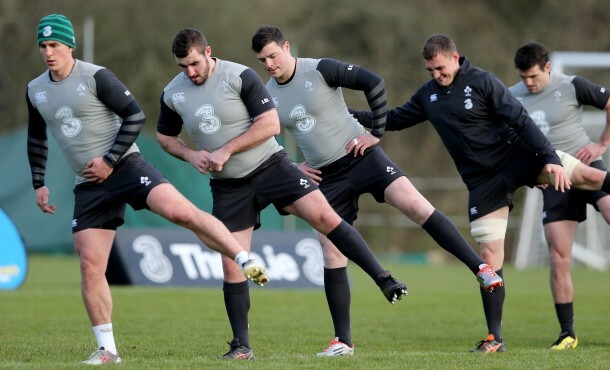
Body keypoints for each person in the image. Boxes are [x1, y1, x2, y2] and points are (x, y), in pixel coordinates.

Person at [351, 34, 610, 353]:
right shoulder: (428, 95)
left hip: (520, 156)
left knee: (592, 177)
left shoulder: (484, 82)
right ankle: (494, 337)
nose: (436, 76)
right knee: (488, 257)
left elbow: (520, 121)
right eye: (430, 71)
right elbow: (397, 119)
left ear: (455, 58)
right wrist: (343, 115)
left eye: (440, 68)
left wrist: (550, 160)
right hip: (483, 183)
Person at [26, 15, 269, 365]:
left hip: (125, 167)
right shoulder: (35, 89)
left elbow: (135, 116)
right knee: (90, 265)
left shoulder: (96, 76)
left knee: (181, 213)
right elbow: (36, 137)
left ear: (69, 46)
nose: (48, 52)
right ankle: (107, 350)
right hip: (89, 184)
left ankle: (243, 257)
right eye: (43, 46)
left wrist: (110, 159)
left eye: (54, 45)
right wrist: (38, 182)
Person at [250, 25, 503, 357]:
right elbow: (262, 135)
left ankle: (480, 269)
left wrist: (377, 133)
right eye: (262, 60)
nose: (269, 64)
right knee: (329, 251)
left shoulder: (320, 68)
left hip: (362, 156)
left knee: (415, 206)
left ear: (286, 47)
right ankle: (343, 341)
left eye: (272, 55)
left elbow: (373, 82)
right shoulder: (269, 95)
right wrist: (291, 165)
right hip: (326, 177)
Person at [156, 28, 408, 361]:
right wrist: (191, 155)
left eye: (193, 63)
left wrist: (225, 150)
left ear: (208, 53)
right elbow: (165, 137)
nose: (189, 72)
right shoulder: (173, 94)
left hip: (271, 167)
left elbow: (270, 125)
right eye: (181, 67)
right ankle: (241, 347)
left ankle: (384, 278)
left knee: (325, 217)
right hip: (229, 187)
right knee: (233, 265)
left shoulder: (240, 76)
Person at [510, 42, 610, 350]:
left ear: (548, 67)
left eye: (533, 76)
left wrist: (601, 145)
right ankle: (568, 334)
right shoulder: (511, 97)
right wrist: (529, 172)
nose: (528, 82)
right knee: (558, 256)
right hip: (554, 180)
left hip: (589, 170)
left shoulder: (572, 86)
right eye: (523, 77)